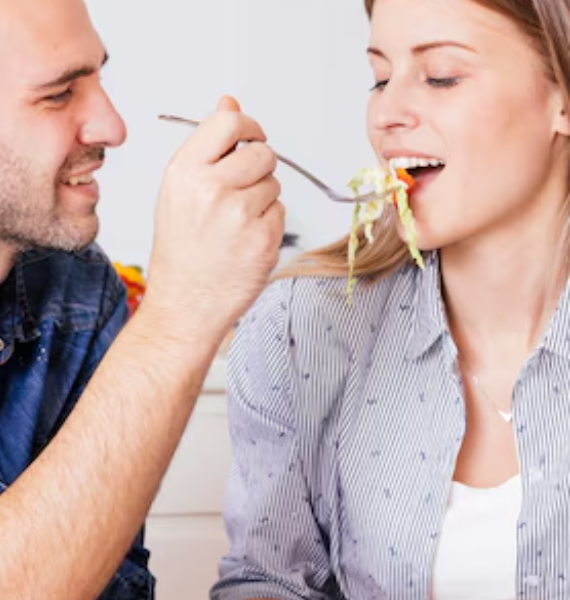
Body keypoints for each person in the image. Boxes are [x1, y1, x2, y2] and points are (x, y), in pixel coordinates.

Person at [211, 0, 570, 598]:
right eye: (380, 78)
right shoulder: (301, 327)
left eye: (441, 76)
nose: (387, 114)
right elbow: (264, 581)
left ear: (561, 97)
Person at [0, 0, 284, 599]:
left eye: (97, 77)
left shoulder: (79, 291)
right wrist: (179, 315)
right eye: (59, 94)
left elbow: (113, 584)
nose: (113, 126)